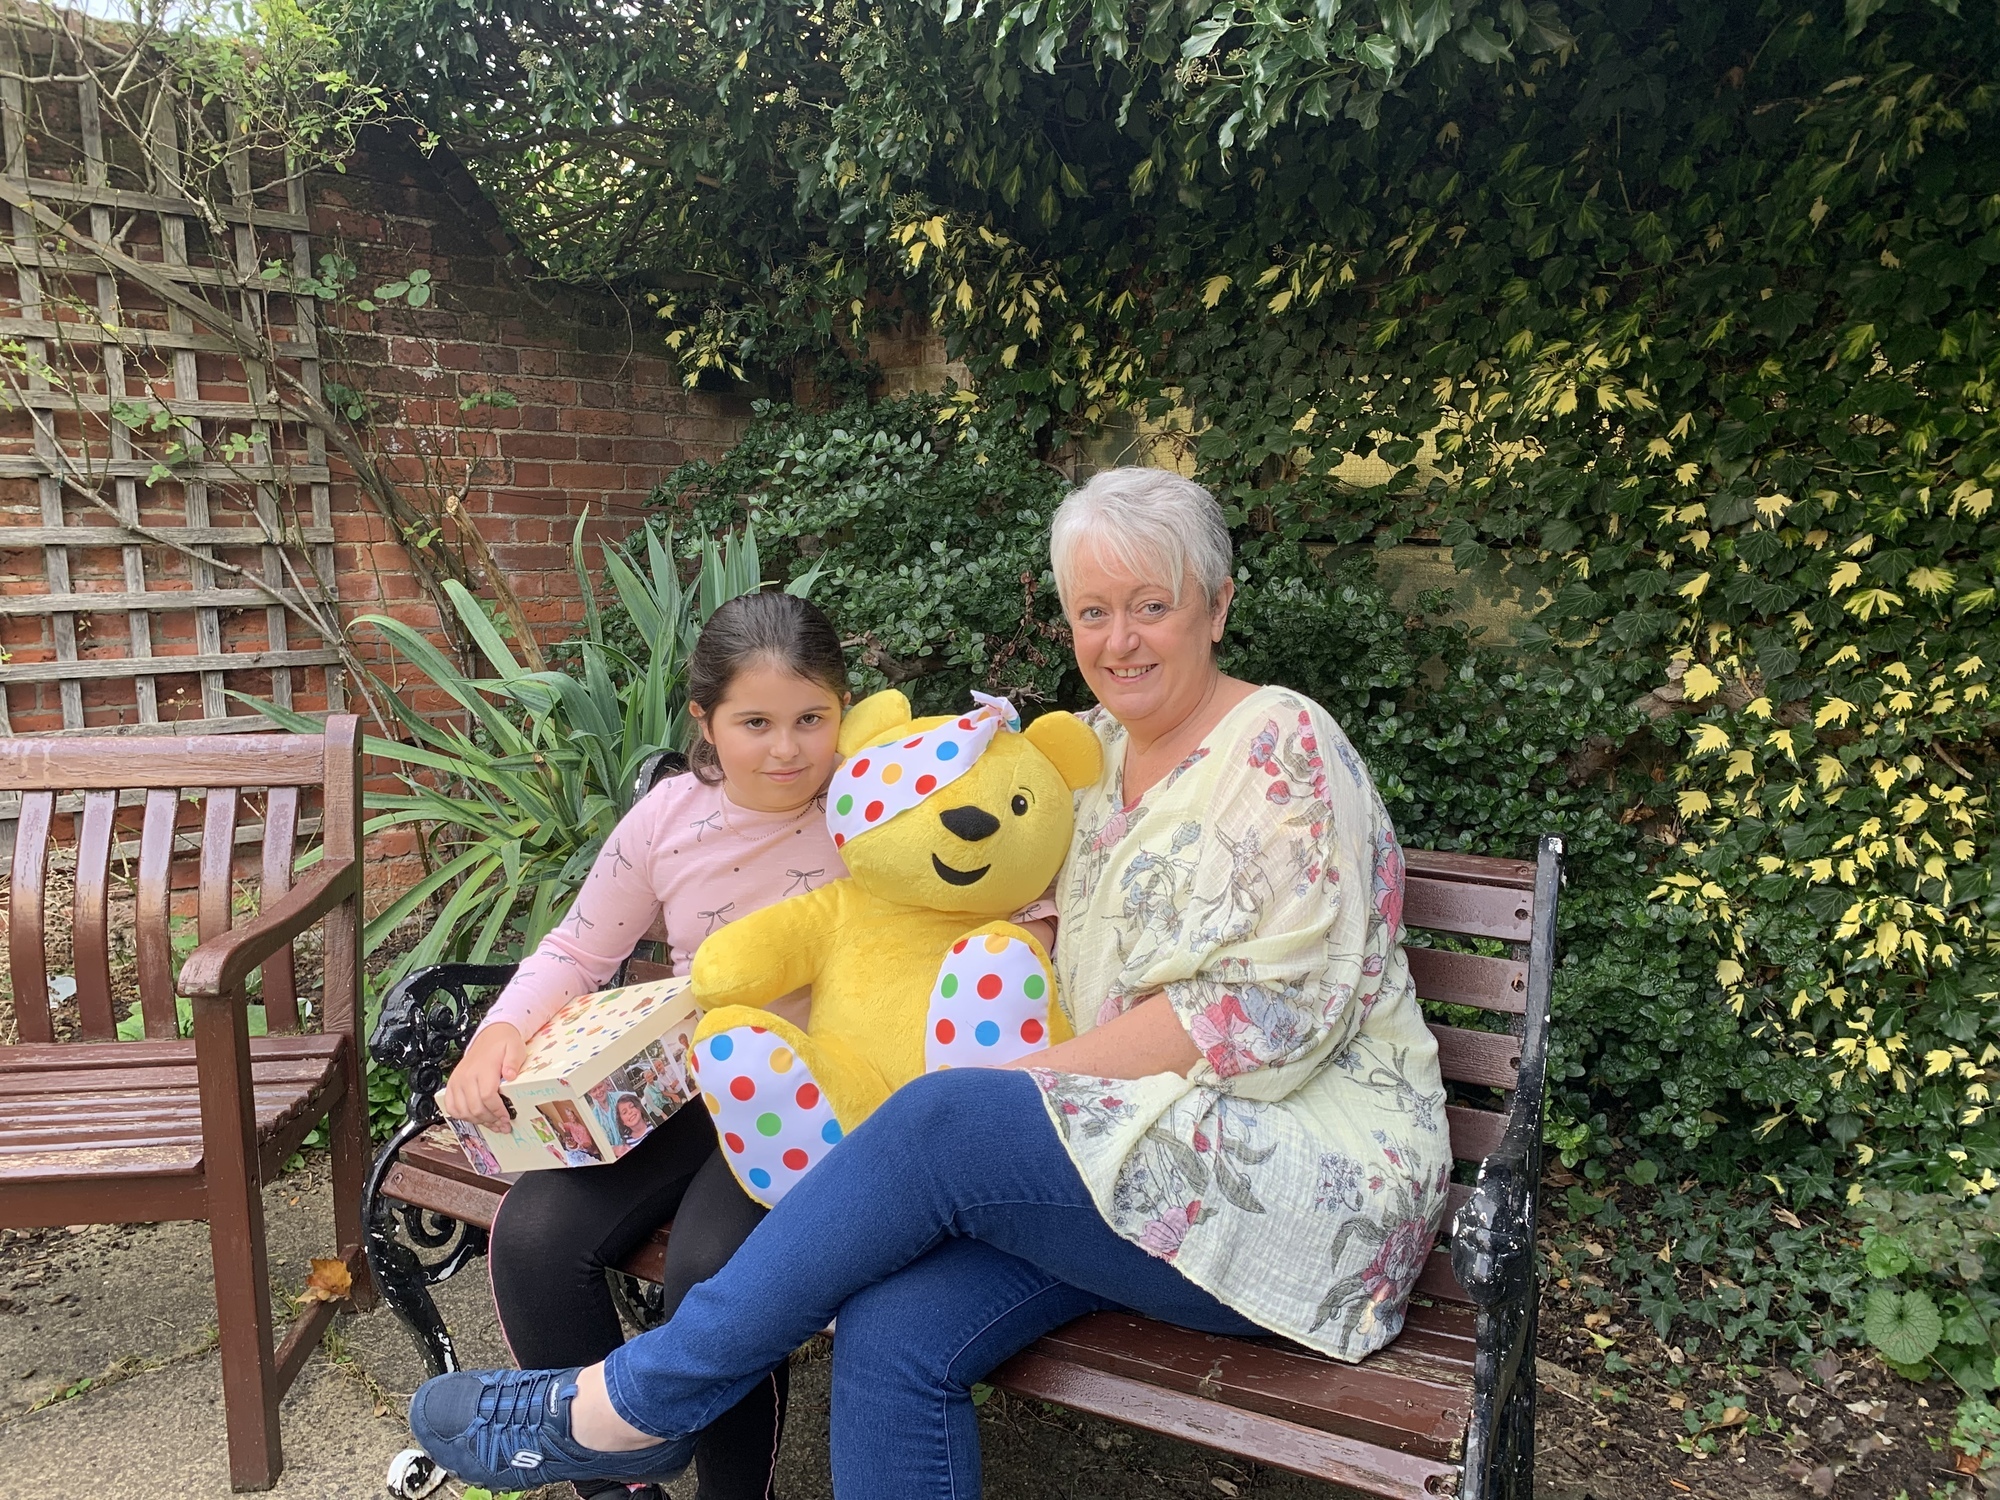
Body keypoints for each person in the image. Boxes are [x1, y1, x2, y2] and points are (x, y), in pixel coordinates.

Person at [409, 469, 1452, 1500]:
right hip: (1118, 1176)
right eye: (1092, 611)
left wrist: (1024, 1090)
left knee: (950, 1112)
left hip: (1293, 1182)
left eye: (1151, 606)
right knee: (893, 1328)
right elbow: (942, 855)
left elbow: (1257, 1017)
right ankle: (638, 1410)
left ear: (1217, 605)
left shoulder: (1282, 744)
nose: (1118, 639)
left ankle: (632, 1408)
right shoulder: (1078, 759)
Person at [437, 589, 853, 1500]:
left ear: (843, 709)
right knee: (535, 1239)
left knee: (713, 1278)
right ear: (704, 720)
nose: (788, 749)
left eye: (812, 718)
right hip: (688, 1083)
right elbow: (582, 947)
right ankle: (614, 1482)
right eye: (756, 722)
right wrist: (500, 1034)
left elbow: (978, 890)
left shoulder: (874, 799)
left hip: (816, 1105)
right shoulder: (669, 817)